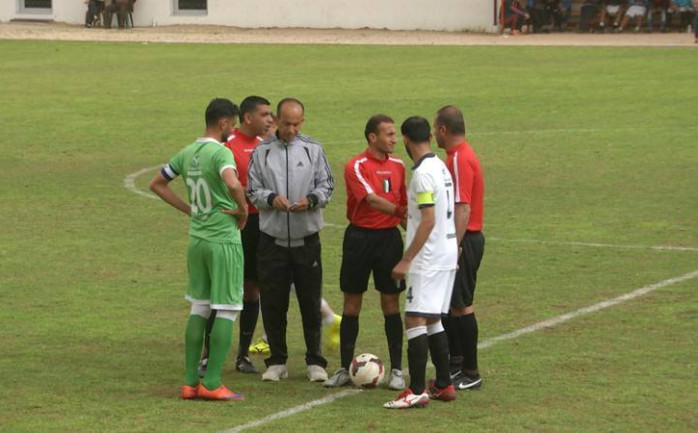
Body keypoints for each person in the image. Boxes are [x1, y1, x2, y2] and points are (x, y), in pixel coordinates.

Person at [149, 98, 248, 401]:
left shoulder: (187, 152)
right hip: (222, 241)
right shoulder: (221, 153)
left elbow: (157, 184)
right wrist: (242, 210)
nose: (233, 129)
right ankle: (213, 382)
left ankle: (190, 382)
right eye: (232, 124)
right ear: (223, 123)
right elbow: (232, 184)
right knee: (228, 308)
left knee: (200, 307)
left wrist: (190, 210)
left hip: (198, 239)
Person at [247, 97, 334, 383]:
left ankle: (315, 361)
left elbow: (327, 186)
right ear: (276, 120)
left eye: (297, 124)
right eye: (286, 124)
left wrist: (311, 201)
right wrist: (271, 199)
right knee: (273, 303)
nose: (292, 129)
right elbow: (252, 190)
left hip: (306, 239)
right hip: (271, 240)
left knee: (310, 303)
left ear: (302, 122)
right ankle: (277, 361)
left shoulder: (313, 149)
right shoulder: (262, 151)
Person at [323, 115, 408, 390]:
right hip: (359, 238)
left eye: (395, 134)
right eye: (389, 134)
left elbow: (404, 203)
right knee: (352, 304)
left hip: (389, 241)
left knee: (391, 304)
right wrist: (399, 212)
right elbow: (371, 199)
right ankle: (345, 368)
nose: (394, 139)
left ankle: (396, 370)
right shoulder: (355, 165)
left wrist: (414, 232)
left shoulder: (399, 165)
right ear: (373, 137)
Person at [383, 116, 458, 409]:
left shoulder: (423, 174)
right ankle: (443, 383)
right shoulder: (440, 166)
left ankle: (414, 390)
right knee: (433, 319)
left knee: (414, 317)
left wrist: (406, 259)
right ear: (428, 135)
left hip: (427, 257)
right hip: (446, 251)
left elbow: (428, 219)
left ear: (405, 139)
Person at [197, 96, 273, 377]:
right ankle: (207, 355)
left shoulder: (267, 148)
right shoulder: (226, 146)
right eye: (265, 114)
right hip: (232, 224)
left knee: (253, 288)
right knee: (222, 289)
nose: (269, 120)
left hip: (261, 223)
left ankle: (243, 355)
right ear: (248, 118)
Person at [433, 106, 486, 391]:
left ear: (443, 129)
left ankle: (471, 371)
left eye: (435, 128)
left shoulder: (457, 159)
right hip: (467, 237)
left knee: (462, 306)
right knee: (452, 306)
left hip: (465, 239)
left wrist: (453, 245)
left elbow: (462, 206)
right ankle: (457, 365)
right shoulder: (461, 154)